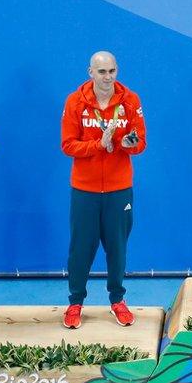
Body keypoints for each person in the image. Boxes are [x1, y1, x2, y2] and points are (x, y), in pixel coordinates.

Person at [60, 51, 146, 329]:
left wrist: (126, 143)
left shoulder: (131, 100)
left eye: (111, 71)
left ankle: (118, 301)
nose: (107, 77)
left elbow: (141, 142)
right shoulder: (75, 102)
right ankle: (75, 303)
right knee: (81, 249)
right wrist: (99, 144)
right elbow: (68, 145)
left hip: (119, 188)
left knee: (118, 249)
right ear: (90, 73)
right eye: (101, 72)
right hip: (84, 190)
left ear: (117, 70)